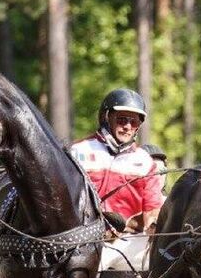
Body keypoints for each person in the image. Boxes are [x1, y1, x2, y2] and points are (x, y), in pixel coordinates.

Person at [70, 88, 166, 235]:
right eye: (122, 120)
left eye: (134, 122)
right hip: (84, 237)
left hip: (129, 240)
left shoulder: (145, 162)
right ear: (106, 117)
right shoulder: (78, 151)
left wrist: (153, 226)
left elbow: (152, 210)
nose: (127, 127)